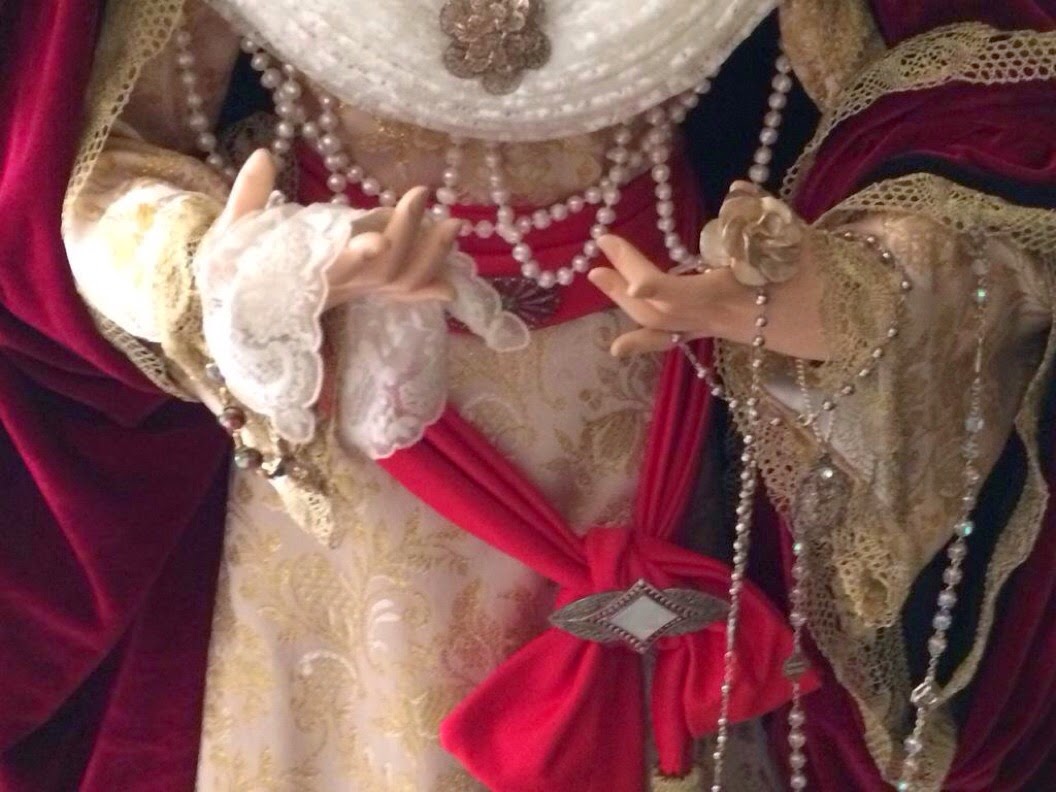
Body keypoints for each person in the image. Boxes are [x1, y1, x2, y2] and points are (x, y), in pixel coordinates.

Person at [1, 1, 1053, 790]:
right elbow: (94, 171)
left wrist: (834, 294)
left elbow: (948, 129)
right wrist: (240, 266)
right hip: (355, 407)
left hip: (640, 387)